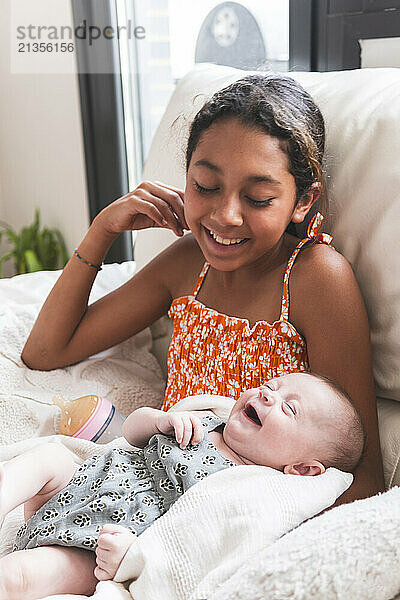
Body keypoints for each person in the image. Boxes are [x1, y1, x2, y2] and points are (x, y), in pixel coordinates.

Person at [21, 76, 383, 515]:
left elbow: (360, 476)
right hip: (148, 493)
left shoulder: (316, 278)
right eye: (206, 187)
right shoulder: (190, 262)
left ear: (302, 201)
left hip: (237, 520)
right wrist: (103, 230)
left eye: (258, 198)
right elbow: (46, 351)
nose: (226, 216)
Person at [0, 372, 365, 598]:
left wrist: (130, 558)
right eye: (271, 385)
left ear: (302, 469)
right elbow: (130, 434)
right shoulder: (206, 419)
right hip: (82, 480)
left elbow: (195, 545)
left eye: (289, 409)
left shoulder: (255, 489)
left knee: (20, 576)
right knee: (47, 458)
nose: (268, 395)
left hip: (99, 542)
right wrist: (161, 420)